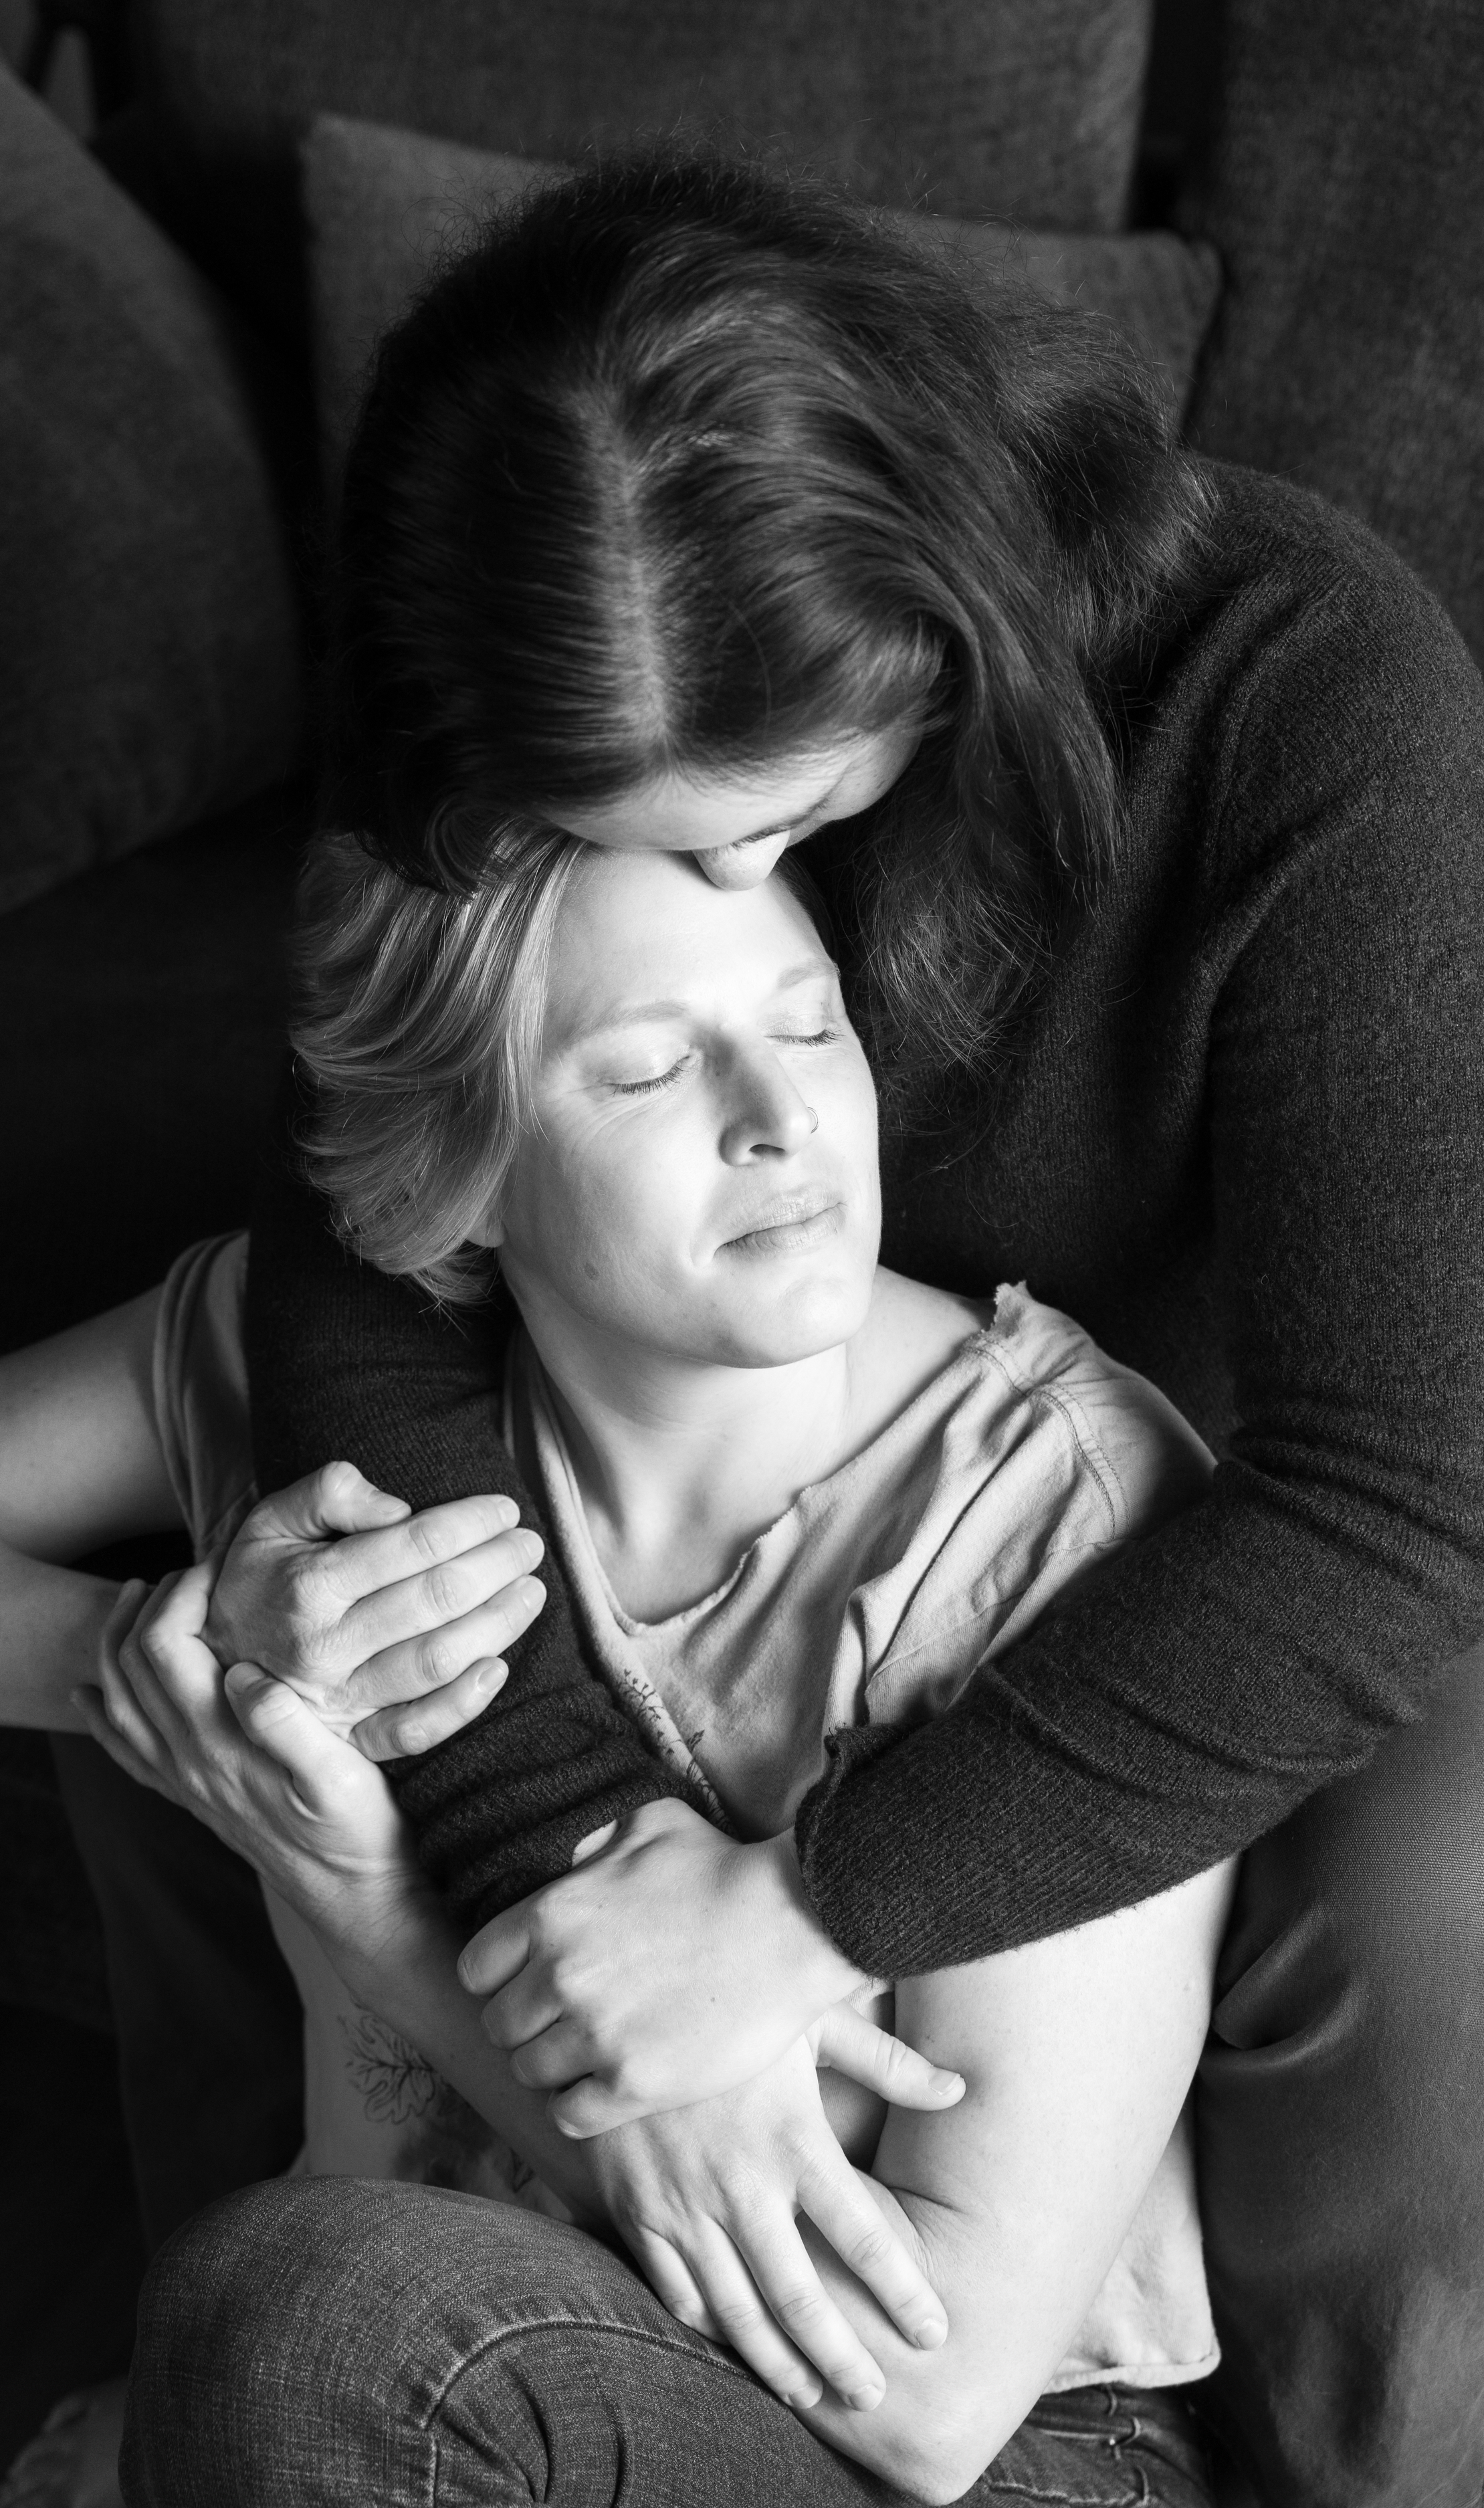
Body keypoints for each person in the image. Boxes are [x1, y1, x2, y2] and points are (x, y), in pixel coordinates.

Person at [136, 150, 1482, 2505]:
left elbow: (1402, 1501)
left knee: (1428, 1946)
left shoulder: (1308, 690)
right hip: (786, 1432)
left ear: (940, 635)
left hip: (1256, 1502)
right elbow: (351, 1242)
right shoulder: (501, 681)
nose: (742, 899)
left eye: (783, 831)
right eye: (652, 844)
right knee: (277, 1602)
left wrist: (794, 1913)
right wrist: (579, 1863)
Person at [0, 829, 1236, 2501]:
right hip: (445, 2368)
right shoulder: (284, 1386)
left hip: (1000, 2451)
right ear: (460, 1175)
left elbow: (929, 2394)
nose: (780, 1121)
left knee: (297, 2321)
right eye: (644, 1069)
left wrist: (371, 1903)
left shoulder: (1046, 1505)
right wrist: (131, 1660)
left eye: (808, 1024)